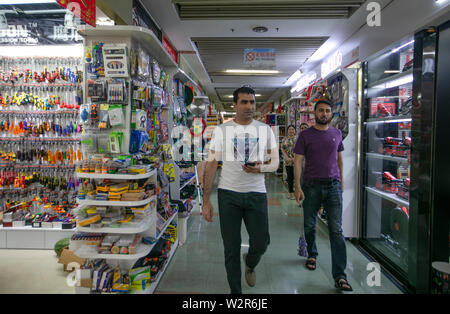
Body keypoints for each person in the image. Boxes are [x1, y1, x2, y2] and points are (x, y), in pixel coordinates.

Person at [202, 86, 279, 294]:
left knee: (262, 242)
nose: (249, 106)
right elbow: (211, 163)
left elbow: (275, 163)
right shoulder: (221, 131)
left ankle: (251, 262)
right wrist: (206, 200)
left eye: (252, 102)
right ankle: (236, 294)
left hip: (256, 193)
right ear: (234, 105)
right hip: (228, 195)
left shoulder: (265, 130)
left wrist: (260, 168)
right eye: (244, 102)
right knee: (231, 248)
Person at [293, 99, 353, 292]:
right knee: (309, 225)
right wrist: (297, 186)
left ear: (330, 113)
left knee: (336, 230)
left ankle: (340, 276)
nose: (324, 114)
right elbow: (297, 160)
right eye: (321, 111)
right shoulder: (305, 135)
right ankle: (312, 254)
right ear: (314, 113)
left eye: (327, 111)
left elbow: (339, 158)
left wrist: (342, 181)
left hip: (333, 186)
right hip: (311, 186)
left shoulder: (336, 133)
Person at [281, 125, 297, 199]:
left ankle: (296, 193)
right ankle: (291, 193)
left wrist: (295, 158)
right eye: (290, 129)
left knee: (297, 178)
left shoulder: (298, 139)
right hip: (288, 162)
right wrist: (287, 158)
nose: (291, 131)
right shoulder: (285, 139)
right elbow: (282, 149)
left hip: (297, 161)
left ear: (295, 130)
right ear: (287, 131)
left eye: (292, 129)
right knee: (290, 178)